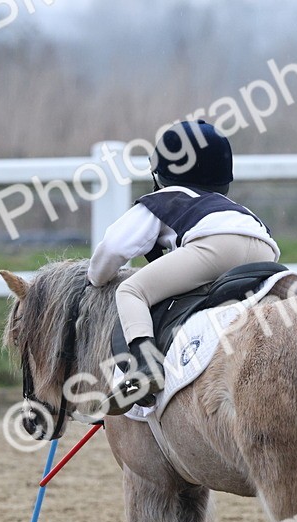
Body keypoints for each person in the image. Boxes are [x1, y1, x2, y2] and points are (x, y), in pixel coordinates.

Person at [87, 120, 279, 413]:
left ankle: (146, 365)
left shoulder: (163, 200)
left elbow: (113, 248)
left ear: (162, 173)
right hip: (265, 249)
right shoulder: (232, 207)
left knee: (131, 291)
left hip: (215, 247)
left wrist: (96, 277)